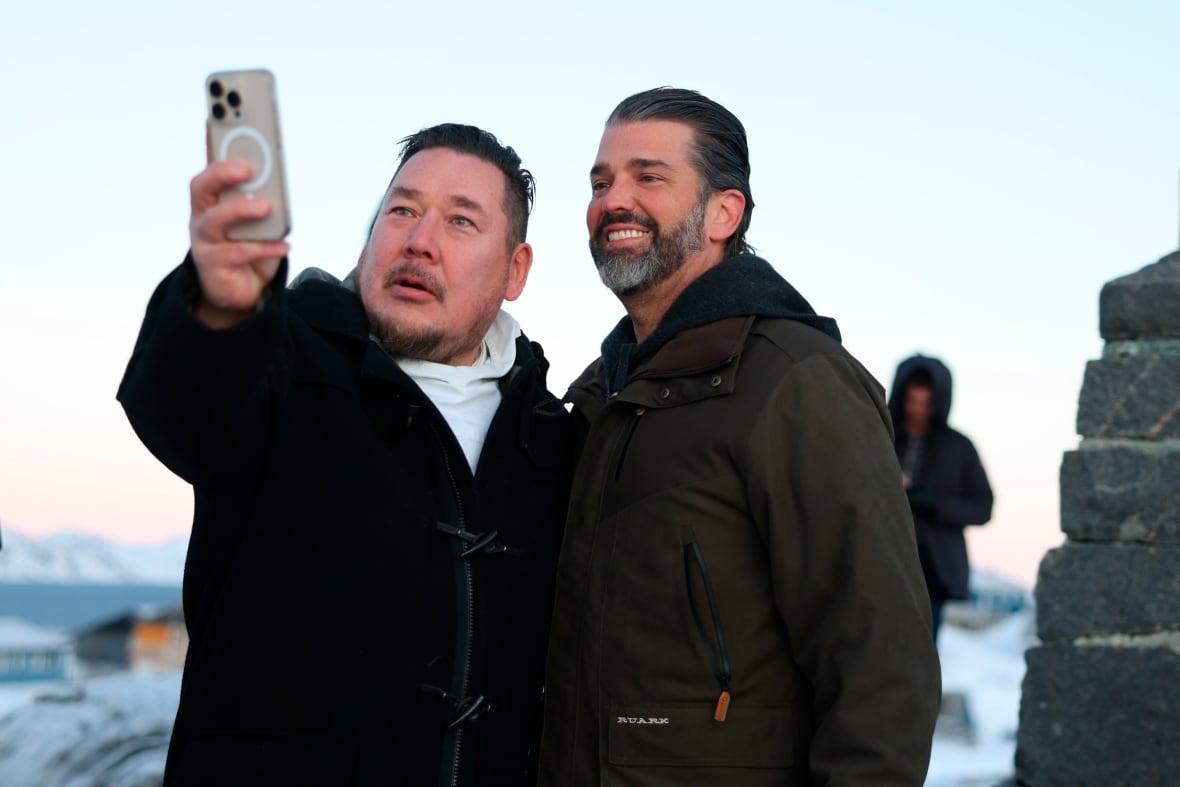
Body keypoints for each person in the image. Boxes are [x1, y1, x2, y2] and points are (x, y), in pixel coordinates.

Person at [118, 124, 574, 786]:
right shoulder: (281, 361)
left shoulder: (551, 438)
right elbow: (187, 409)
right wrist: (217, 305)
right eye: (403, 209)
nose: (419, 239)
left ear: (515, 269)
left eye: (460, 221)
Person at [537, 88, 941, 786]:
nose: (613, 199)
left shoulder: (796, 381)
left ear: (725, 212)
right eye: (601, 182)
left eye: (648, 176)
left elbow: (881, 668)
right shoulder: (602, 395)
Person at [888, 355, 994, 642]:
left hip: (933, 570)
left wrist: (933, 502)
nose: (918, 410)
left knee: (921, 648)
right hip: (881, 558)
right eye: (912, 401)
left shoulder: (959, 447)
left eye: (926, 403)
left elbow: (983, 508)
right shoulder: (879, 435)